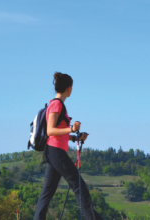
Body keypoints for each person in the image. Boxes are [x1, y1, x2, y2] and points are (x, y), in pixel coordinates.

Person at [34, 72, 102, 220]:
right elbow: (50, 130)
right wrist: (71, 129)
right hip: (55, 151)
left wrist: (74, 137)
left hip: (54, 151)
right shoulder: (56, 104)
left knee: (47, 192)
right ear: (69, 88)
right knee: (79, 186)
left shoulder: (57, 104)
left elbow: (58, 132)